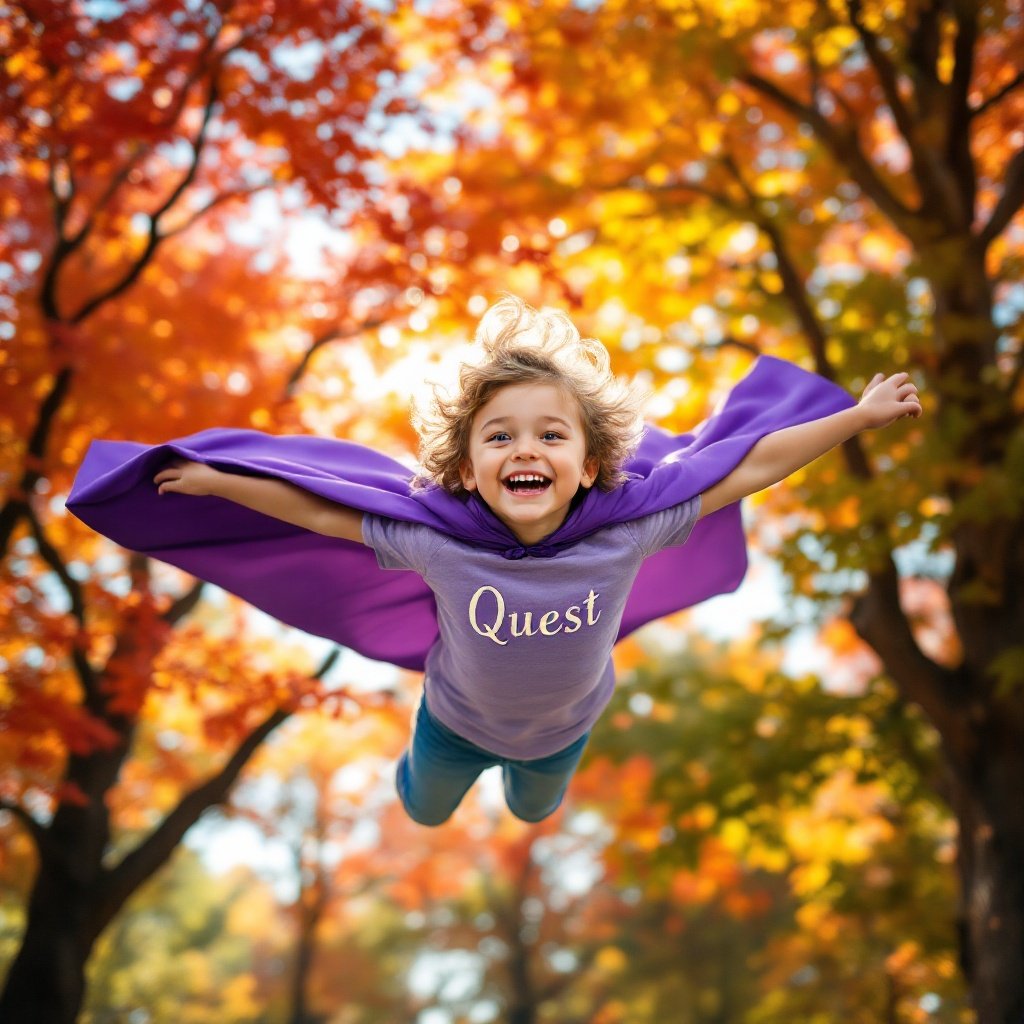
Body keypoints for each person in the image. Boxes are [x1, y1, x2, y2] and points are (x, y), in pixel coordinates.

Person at [146, 295, 922, 826]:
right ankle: (422, 779)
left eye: (551, 435)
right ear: (466, 469)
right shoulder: (436, 540)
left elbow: (747, 466)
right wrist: (220, 482)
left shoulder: (627, 530)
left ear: (589, 465)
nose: (526, 449)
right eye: (500, 436)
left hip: (561, 733)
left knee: (533, 810)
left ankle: (526, 789)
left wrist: (855, 416)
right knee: (424, 809)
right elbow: (320, 510)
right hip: (452, 724)